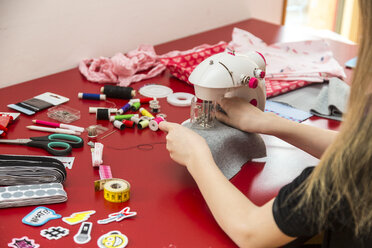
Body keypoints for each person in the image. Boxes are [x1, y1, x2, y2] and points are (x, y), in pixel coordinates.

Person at [158, 0, 372, 247]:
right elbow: (358, 147)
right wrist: (270, 122)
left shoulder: (347, 176)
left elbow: (251, 232)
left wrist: (197, 157)